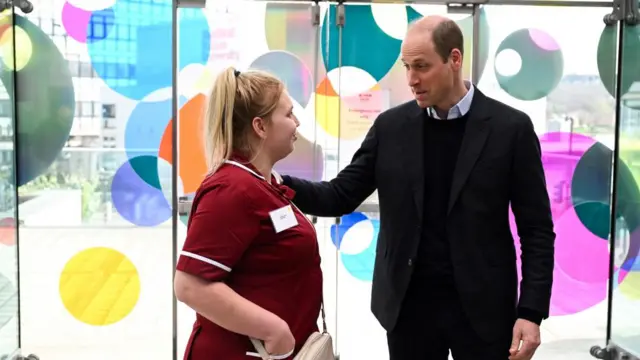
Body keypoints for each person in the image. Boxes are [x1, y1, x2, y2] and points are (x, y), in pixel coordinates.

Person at [280, 16, 555, 360]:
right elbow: (341, 195)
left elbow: (537, 230)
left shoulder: (510, 129)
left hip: (484, 311)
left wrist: (530, 312)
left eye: (421, 67)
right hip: (409, 311)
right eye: (407, 66)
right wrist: (278, 184)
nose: (411, 79)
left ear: (454, 59)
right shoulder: (390, 127)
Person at [174, 67, 323, 360]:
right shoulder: (231, 190)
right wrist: (274, 331)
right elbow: (190, 285)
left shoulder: (262, 185)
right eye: (289, 114)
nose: (296, 123)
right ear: (261, 127)